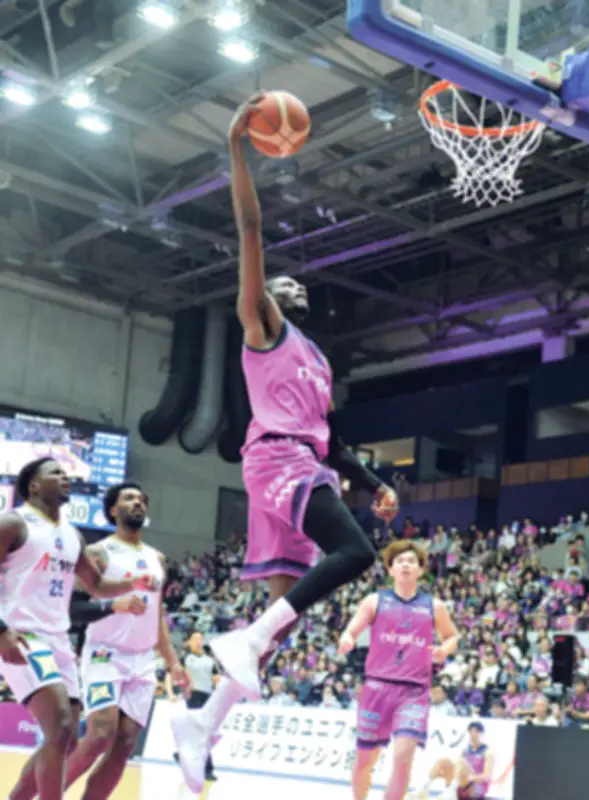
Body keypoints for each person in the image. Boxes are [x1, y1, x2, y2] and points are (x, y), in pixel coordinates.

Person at [170, 93, 399, 793]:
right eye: (280, 281)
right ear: (265, 295)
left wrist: (374, 482)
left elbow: (332, 444)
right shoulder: (262, 326)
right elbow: (250, 229)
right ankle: (242, 640)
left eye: (297, 283)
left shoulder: (318, 362)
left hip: (301, 460)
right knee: (357, 553)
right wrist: (236, 148)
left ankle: (202, 725)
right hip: (275, 459)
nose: (291, 284)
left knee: (281, 628)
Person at [0, 459, 156, 800]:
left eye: (65, 473)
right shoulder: (13, 522)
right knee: (60, 726)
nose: (65, 476)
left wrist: (132, 582)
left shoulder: (72, 535)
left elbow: (96, 584)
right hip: (23, 635)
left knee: (66, 740)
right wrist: (1, 631)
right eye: (55, 473)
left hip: (59, 640)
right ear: (34, 486)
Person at [58, 482, 188, 800]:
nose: (138, 503)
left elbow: (156, 615)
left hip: (143, 660)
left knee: (125, 744)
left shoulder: (158, 558)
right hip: (105, 653)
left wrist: (173, 662)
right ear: (113, 510)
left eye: (142, 499)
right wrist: (114, 604)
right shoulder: (98, 553)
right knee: (101, 733)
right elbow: (73, 609)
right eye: (129, 498)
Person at [337, 540, 458, 800]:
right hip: (377, 687)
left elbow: (452, 636)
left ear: (420, 570)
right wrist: (347, 639)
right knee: (364, 761)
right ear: (390, 569)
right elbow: (351, 630)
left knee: (403, 758)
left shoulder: (434, 606)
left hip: (414, 691)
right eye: (400, 561)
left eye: (411, 561)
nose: (405, 565)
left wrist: (444, 650)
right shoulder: (374, 601)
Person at [169, 632, 218, 781]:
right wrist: (171, 693)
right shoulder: (185, 658)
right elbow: (170, 675)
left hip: (208, 697)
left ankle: (182, 756)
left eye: (200, 639)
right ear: (189, 642)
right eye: (195, 639)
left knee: (204, 732)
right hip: (193, 696)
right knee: (200, 731)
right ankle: (207, 768)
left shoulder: (210, 661)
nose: (198, 642)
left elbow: (216, 679)